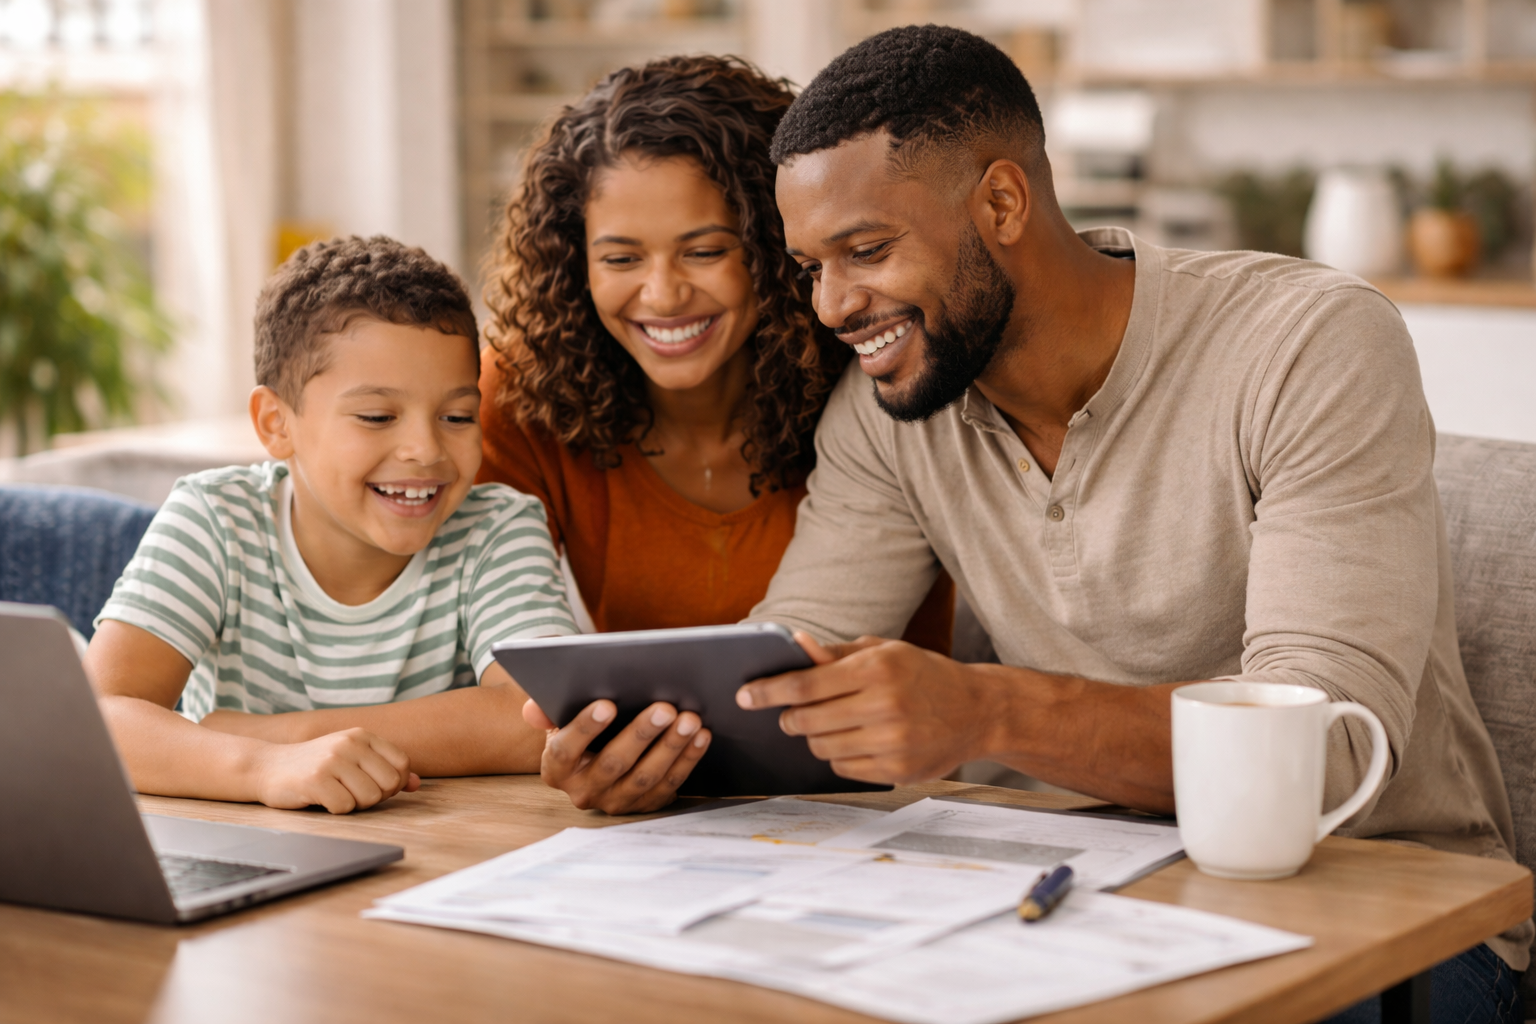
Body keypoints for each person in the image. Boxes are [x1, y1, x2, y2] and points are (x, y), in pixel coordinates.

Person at [538, 26, 1531, 1023]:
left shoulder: (1307, 344)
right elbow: (793, 659)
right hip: (1047, 901)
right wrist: (667, 754)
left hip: (1381, 911)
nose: (834, 304)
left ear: (1003, 203)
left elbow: (1323, 751)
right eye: (809, 267)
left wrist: (985, 711)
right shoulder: (887, 412)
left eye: (868, 250)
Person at [476, 54, 952, 813]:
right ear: (575, 266)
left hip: (891, 805)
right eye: (621, 258)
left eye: (704, 251)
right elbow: (474, 658)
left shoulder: (874, 374)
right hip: (674, 824)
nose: (662, 295)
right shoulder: (524, 397)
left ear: (773, 247)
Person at [86, 236, 576, 814]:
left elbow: (539, 716)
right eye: (376, 416)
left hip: (434, 857)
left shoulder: (499, 526)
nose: (424, 448)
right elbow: (98, 716)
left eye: (457, 416)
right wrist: (264, 767)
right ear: (276, 424)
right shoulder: (215, 520)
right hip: (252, 853)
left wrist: (287, 736)